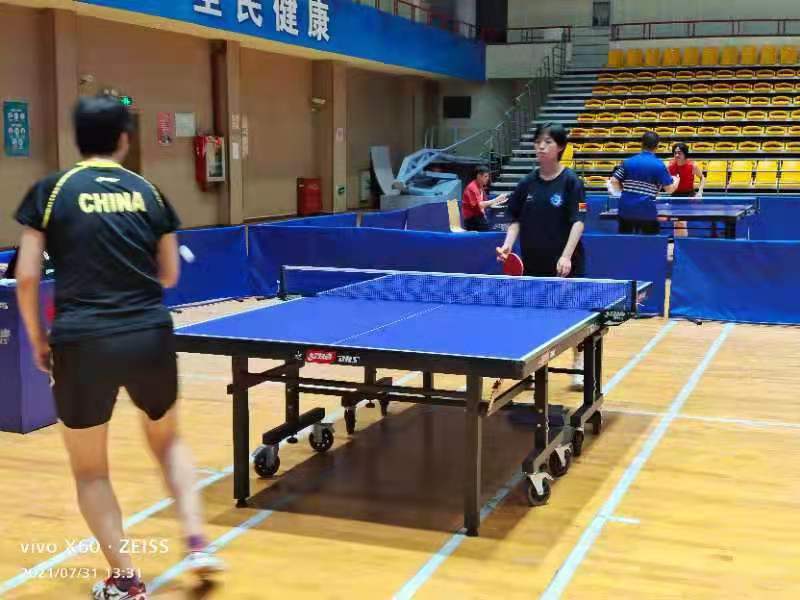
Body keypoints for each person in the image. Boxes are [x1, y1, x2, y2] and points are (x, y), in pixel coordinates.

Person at [13, 95, 223, 600]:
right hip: (147, 333)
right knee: (168, 441)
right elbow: (169, 275)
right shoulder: (149, 192)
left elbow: (27, 277)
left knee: (91, 470)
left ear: (76, 138)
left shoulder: (51, 191)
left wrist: (38, 340)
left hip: (82, 340)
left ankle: (126, 579)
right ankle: (198, 545)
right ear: (125, 139)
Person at [495, 122, 587, 389]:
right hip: (533, 262)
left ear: (560, 147)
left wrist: (566, 256)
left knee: (572, 313)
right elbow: (515, 219)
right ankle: (534, 368)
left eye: (547, 142)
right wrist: (507, 245)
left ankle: (579, 361)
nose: (541, 147)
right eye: (538, 142)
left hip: (566, 264)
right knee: (534, 316)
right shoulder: (527, 183)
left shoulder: (571, 182)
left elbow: (578, 221)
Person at [608, 131, 680, 234]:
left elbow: (614, 181)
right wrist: (677, 181)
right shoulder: (659, 165)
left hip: (626, 209)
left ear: (641, 144)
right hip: (646, 211)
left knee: (625, 240)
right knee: (649, 241)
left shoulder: (628, 161)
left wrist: (624, 192)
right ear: (657, 146)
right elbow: (669, 189)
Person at [668, 142, 705, 237]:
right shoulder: (670, 166)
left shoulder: (692, 166)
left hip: (688, 196)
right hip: (675, 197)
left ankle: (682, 243)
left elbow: (702, 178)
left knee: (681, 222)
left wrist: (700, 192)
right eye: (675, 153)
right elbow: (663, 181)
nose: (677, 155)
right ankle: (679, 243)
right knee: (677, 222)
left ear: (685, 154)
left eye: (679, 153)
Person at [461, 165, 507, 231]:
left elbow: (486, 204)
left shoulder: (481, 187)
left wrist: (499, 202)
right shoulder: (472, 188)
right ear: (479, 176)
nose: (488, 178)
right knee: (491, 228)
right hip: (472, 220)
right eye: (486, 176)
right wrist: (497, 199)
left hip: (479, 217)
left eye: (488, 176)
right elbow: (480, 205)